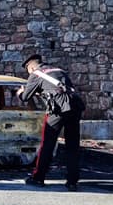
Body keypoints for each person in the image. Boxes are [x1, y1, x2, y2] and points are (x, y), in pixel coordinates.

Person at [16, 54, 85, 192]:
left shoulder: (36, 74)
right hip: (74, 107)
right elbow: (58, 88)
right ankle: (72, 182)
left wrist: (20, 92)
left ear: (31, 66)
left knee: (47, 144)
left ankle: (38, 177)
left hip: (58, 110)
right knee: (72, 146)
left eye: (28, 70)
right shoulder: (59, 70)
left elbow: (25, 97)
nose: (28, 73)